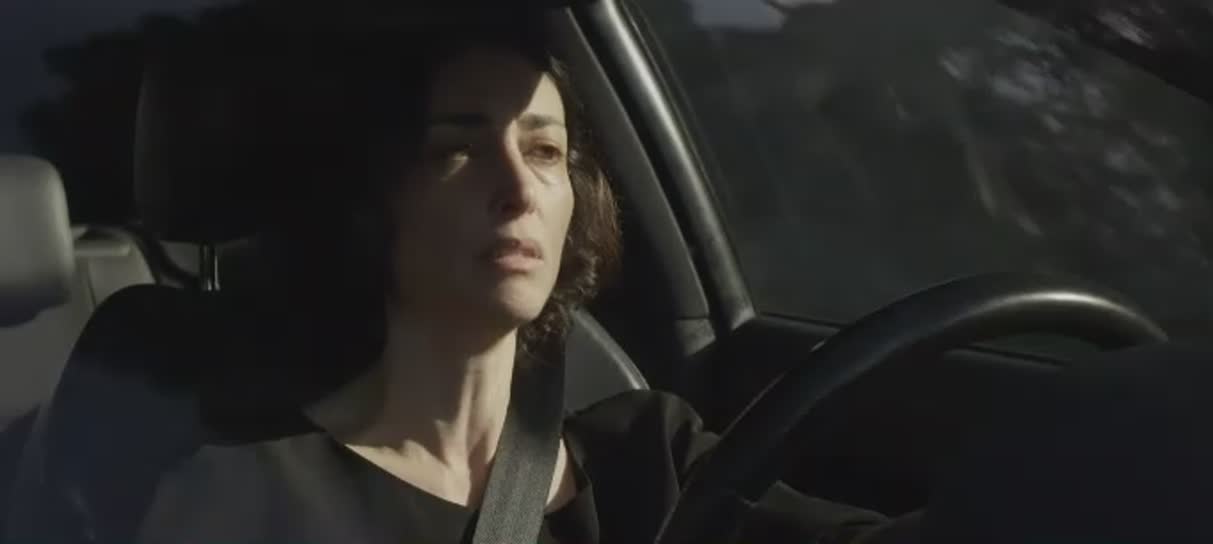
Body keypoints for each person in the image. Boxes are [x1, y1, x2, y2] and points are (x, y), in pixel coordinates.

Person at [121, 9, 904, 544]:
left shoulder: (649, 459)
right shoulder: (240, 494)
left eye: (545, 151)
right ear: (372, 197)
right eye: (458, 148)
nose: (519, 187)